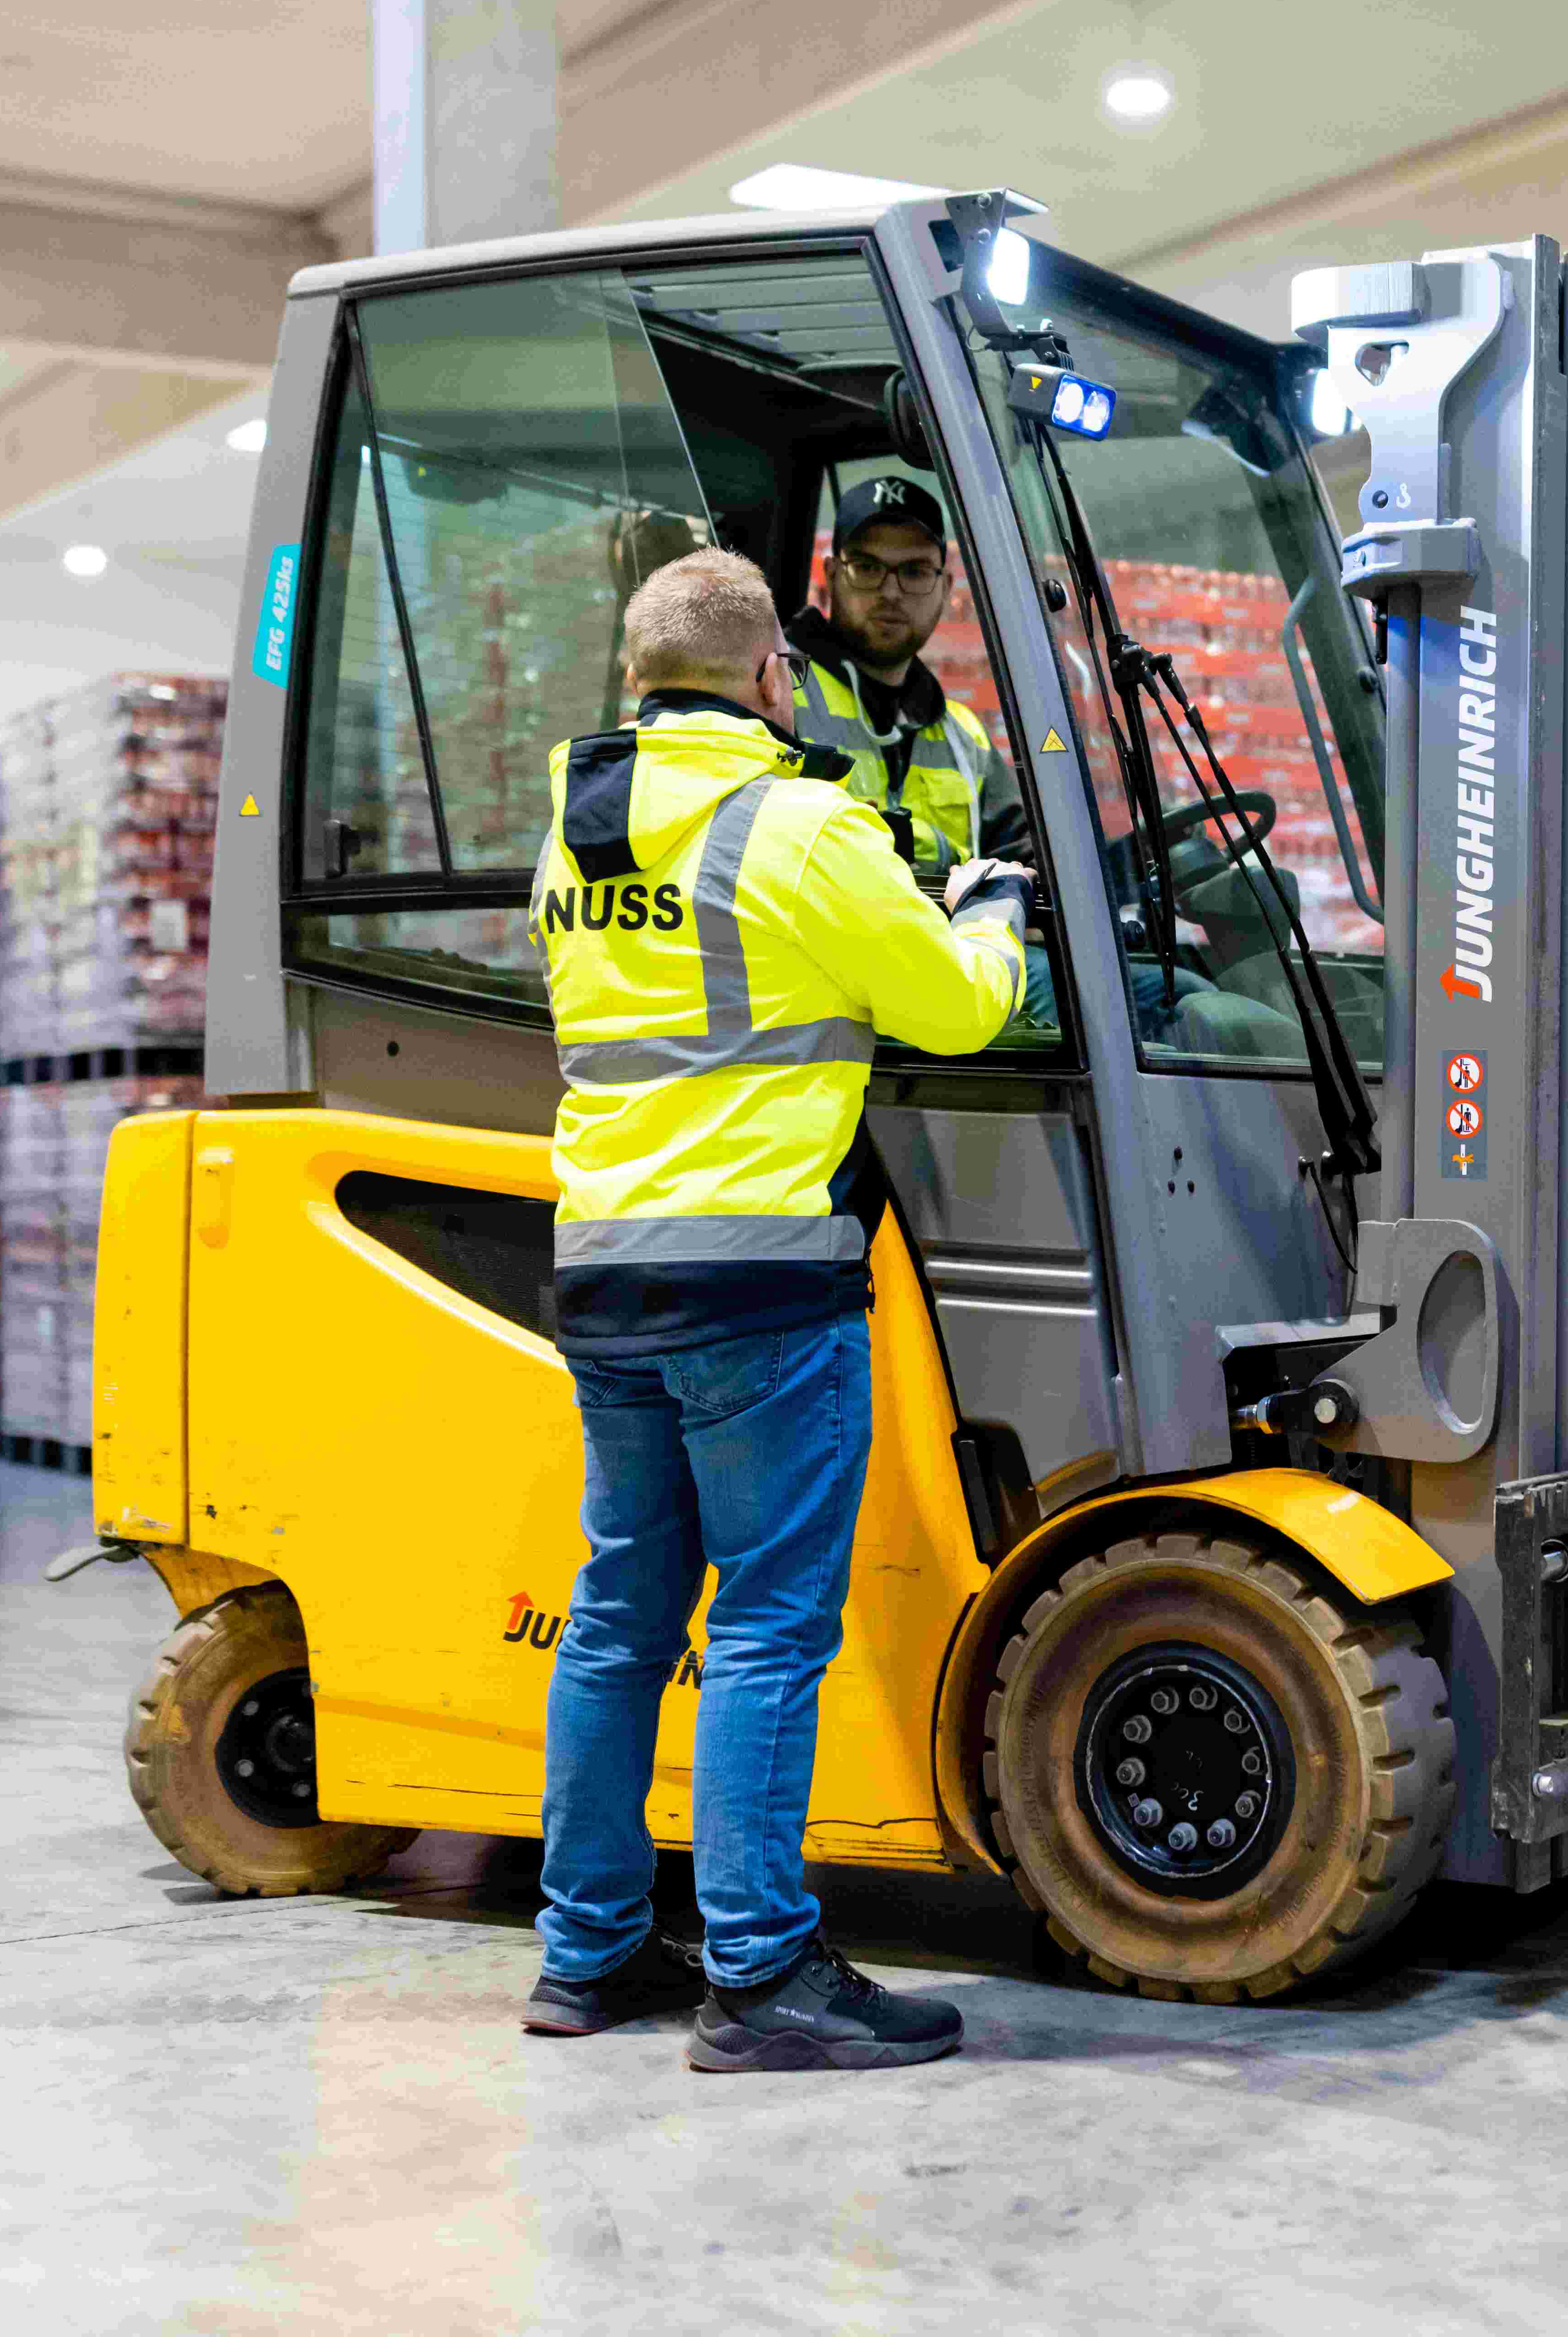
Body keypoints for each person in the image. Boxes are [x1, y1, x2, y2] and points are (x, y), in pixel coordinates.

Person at [517, 542, 1033, 2073]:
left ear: (634, 682)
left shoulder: (571, 834)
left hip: (608, 1268)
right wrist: (993, 903)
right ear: (768, 676)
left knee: (619, 1618)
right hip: (756, 1278)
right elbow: (951, 1000)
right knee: (765, 1625)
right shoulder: (798, 824)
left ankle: (585, 1949)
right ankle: (759, 1973)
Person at [787, 475, 1032, 870]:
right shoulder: (774, 691)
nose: (891, 592)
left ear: (946, 586)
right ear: (831, 575)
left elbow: (1029, 864)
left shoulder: (965, 739)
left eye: (915, 571)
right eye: (867, 567)